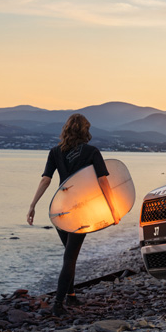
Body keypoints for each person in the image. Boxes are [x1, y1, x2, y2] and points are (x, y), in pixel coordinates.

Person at [27, 114, 119, 316]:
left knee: (69, 255)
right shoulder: (92, 151)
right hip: (80, 211)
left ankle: (71, 296)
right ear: (85, 130)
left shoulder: (55, 151)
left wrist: (33, 205)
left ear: (66, 130)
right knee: (70, 257)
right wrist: (113, 209)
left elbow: (45, 180)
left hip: (59, 210)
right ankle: (58, 305)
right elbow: (103, 182)